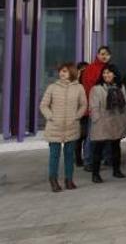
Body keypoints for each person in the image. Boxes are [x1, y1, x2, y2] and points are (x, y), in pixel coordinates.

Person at [40, 63, 87, 192]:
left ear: (71, 72)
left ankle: (69, 179)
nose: (62, 73)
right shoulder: (52, 87)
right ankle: (53, 180)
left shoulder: (79, 88)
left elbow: (83, 105)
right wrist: (51, 117)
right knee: (54, 155)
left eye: (65, 71)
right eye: (61, 71)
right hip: (54, 127)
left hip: (72, 126)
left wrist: (77, 116)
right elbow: (43, 105)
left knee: (69, 155)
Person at [88, 64, 126, 183]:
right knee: (98, 149)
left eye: (109, 73)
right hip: (102, 122)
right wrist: (96, 119)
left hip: (117, 120)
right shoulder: (97, 88)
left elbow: (125, 103)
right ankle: (95, 174)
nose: (106, 75)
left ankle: (117, 170)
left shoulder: (120, 87)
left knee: (116, 147)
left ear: (115, 74)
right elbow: (93, 106)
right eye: (104, 73)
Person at [79, 46, 112, 171]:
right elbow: (89, 89)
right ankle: (88, 161)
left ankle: (107, 158)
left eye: (107, 54)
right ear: (97, 55)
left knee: (108, 135)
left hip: (108, 108)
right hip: (95, 108)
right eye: (102, 54)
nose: (104, 56)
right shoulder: (90, 68)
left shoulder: (109, 68)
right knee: (92, 136)